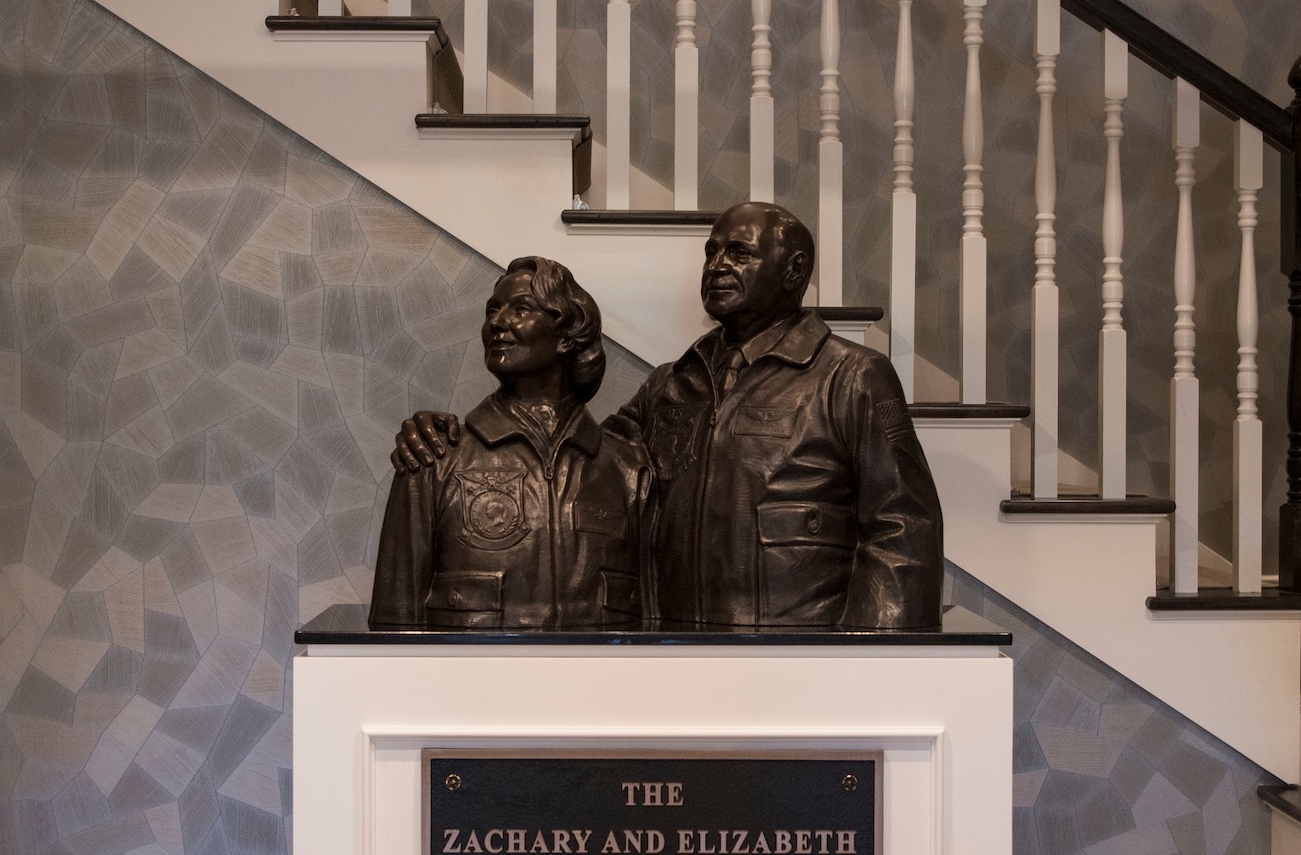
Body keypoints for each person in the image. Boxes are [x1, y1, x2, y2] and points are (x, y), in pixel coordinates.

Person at [393, 202, 944, 630]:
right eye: (711, 252)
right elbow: (580, 464)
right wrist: (449, 436)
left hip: (799, 660)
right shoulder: (671, 385)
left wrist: (871, 666)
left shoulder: (850, 376)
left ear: (795, 270)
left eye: (740, 253)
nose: (718, 265)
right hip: (680, 661)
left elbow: (904, 529)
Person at [368, 257, 649, 630]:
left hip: (595, 688)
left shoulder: (627, 470)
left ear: (567, 335)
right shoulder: (436, 458)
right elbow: (395, 619)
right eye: (492, 311)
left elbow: (655, 625)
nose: (497, 323)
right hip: (470, 688)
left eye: (521, 309)